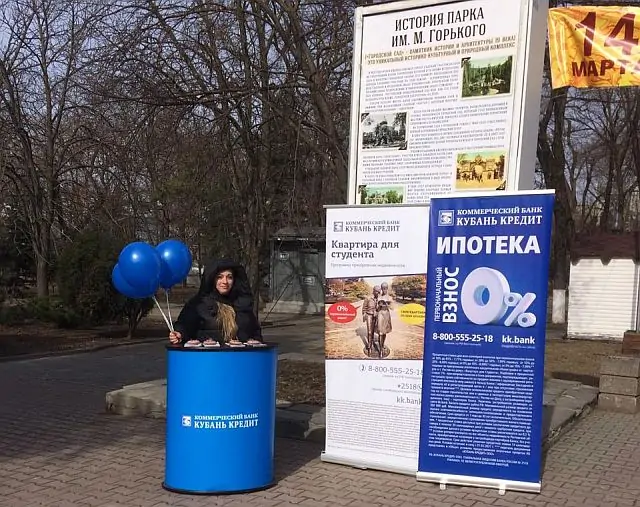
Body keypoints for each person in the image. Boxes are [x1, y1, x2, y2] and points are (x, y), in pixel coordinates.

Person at [168, 258, 263, 347]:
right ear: (212, 279)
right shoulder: (199, 303)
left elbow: (255, 332)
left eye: (229, 277)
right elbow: (185, 325)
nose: (225, 281)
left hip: (241, 357)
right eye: (219, 277)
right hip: (210, 357)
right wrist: (179, 334)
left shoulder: (243, 303)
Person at [362, 285, 380, 356]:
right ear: (373, 291)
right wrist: (364, 315)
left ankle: (372, 341)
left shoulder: (379, 298)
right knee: (369, 331)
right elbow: (364, 308)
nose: (378, 293)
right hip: (369, 315)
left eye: (379, 292)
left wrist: (377, 312)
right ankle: (369, 346)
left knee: (373, 331)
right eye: (377, 292)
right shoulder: (368, 298)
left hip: (375, 316)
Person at [377, 282, 393, 358]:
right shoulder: (379, 297)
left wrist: (387, 304)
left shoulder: (390, 297)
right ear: (381, 289)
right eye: (383, 288)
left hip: (386, 314)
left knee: (384, 332)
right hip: (380, 313)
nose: (384, 290)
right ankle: (380, 350)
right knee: (380, 332)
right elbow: (377, 308)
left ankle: (382, 345)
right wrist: (379, 305)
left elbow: (392, 308)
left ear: (387, 288)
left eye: (385, 288)